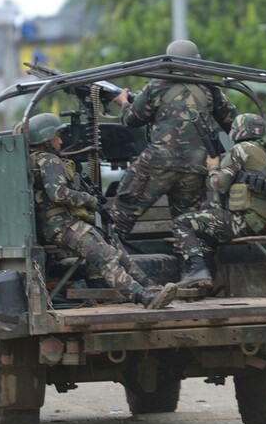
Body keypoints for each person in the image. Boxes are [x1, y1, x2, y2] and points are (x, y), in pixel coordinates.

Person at [27, 113, 176, 309]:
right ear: (46, 138)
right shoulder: (49, 160)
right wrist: (90, 200)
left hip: (59, 224)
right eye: (57, 136)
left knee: (112, 240)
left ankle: (148, 285)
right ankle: (142, 296)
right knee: (105, 254)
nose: (61, 141)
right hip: (60, 225)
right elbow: (59, 194)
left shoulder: (35, 160)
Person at [109, 39, 238, 240]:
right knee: (189, 226)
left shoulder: (156, 85)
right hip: (196, 168)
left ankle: (112, 264)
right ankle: (196, 267)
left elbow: (131, 120)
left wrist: (124, 101)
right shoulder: (209, 87)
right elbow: (232, 121)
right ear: (197, 61)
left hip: (159, 163)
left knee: (121, 215)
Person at [172, 113, 266, 287]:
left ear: (238, 130)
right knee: (206, 208)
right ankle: (207, 273)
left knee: (182, 222)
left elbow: (218, 184)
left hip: (246, 223)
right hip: (265, 222)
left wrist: (212, 167)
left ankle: (198, 269)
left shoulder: (241, 150)